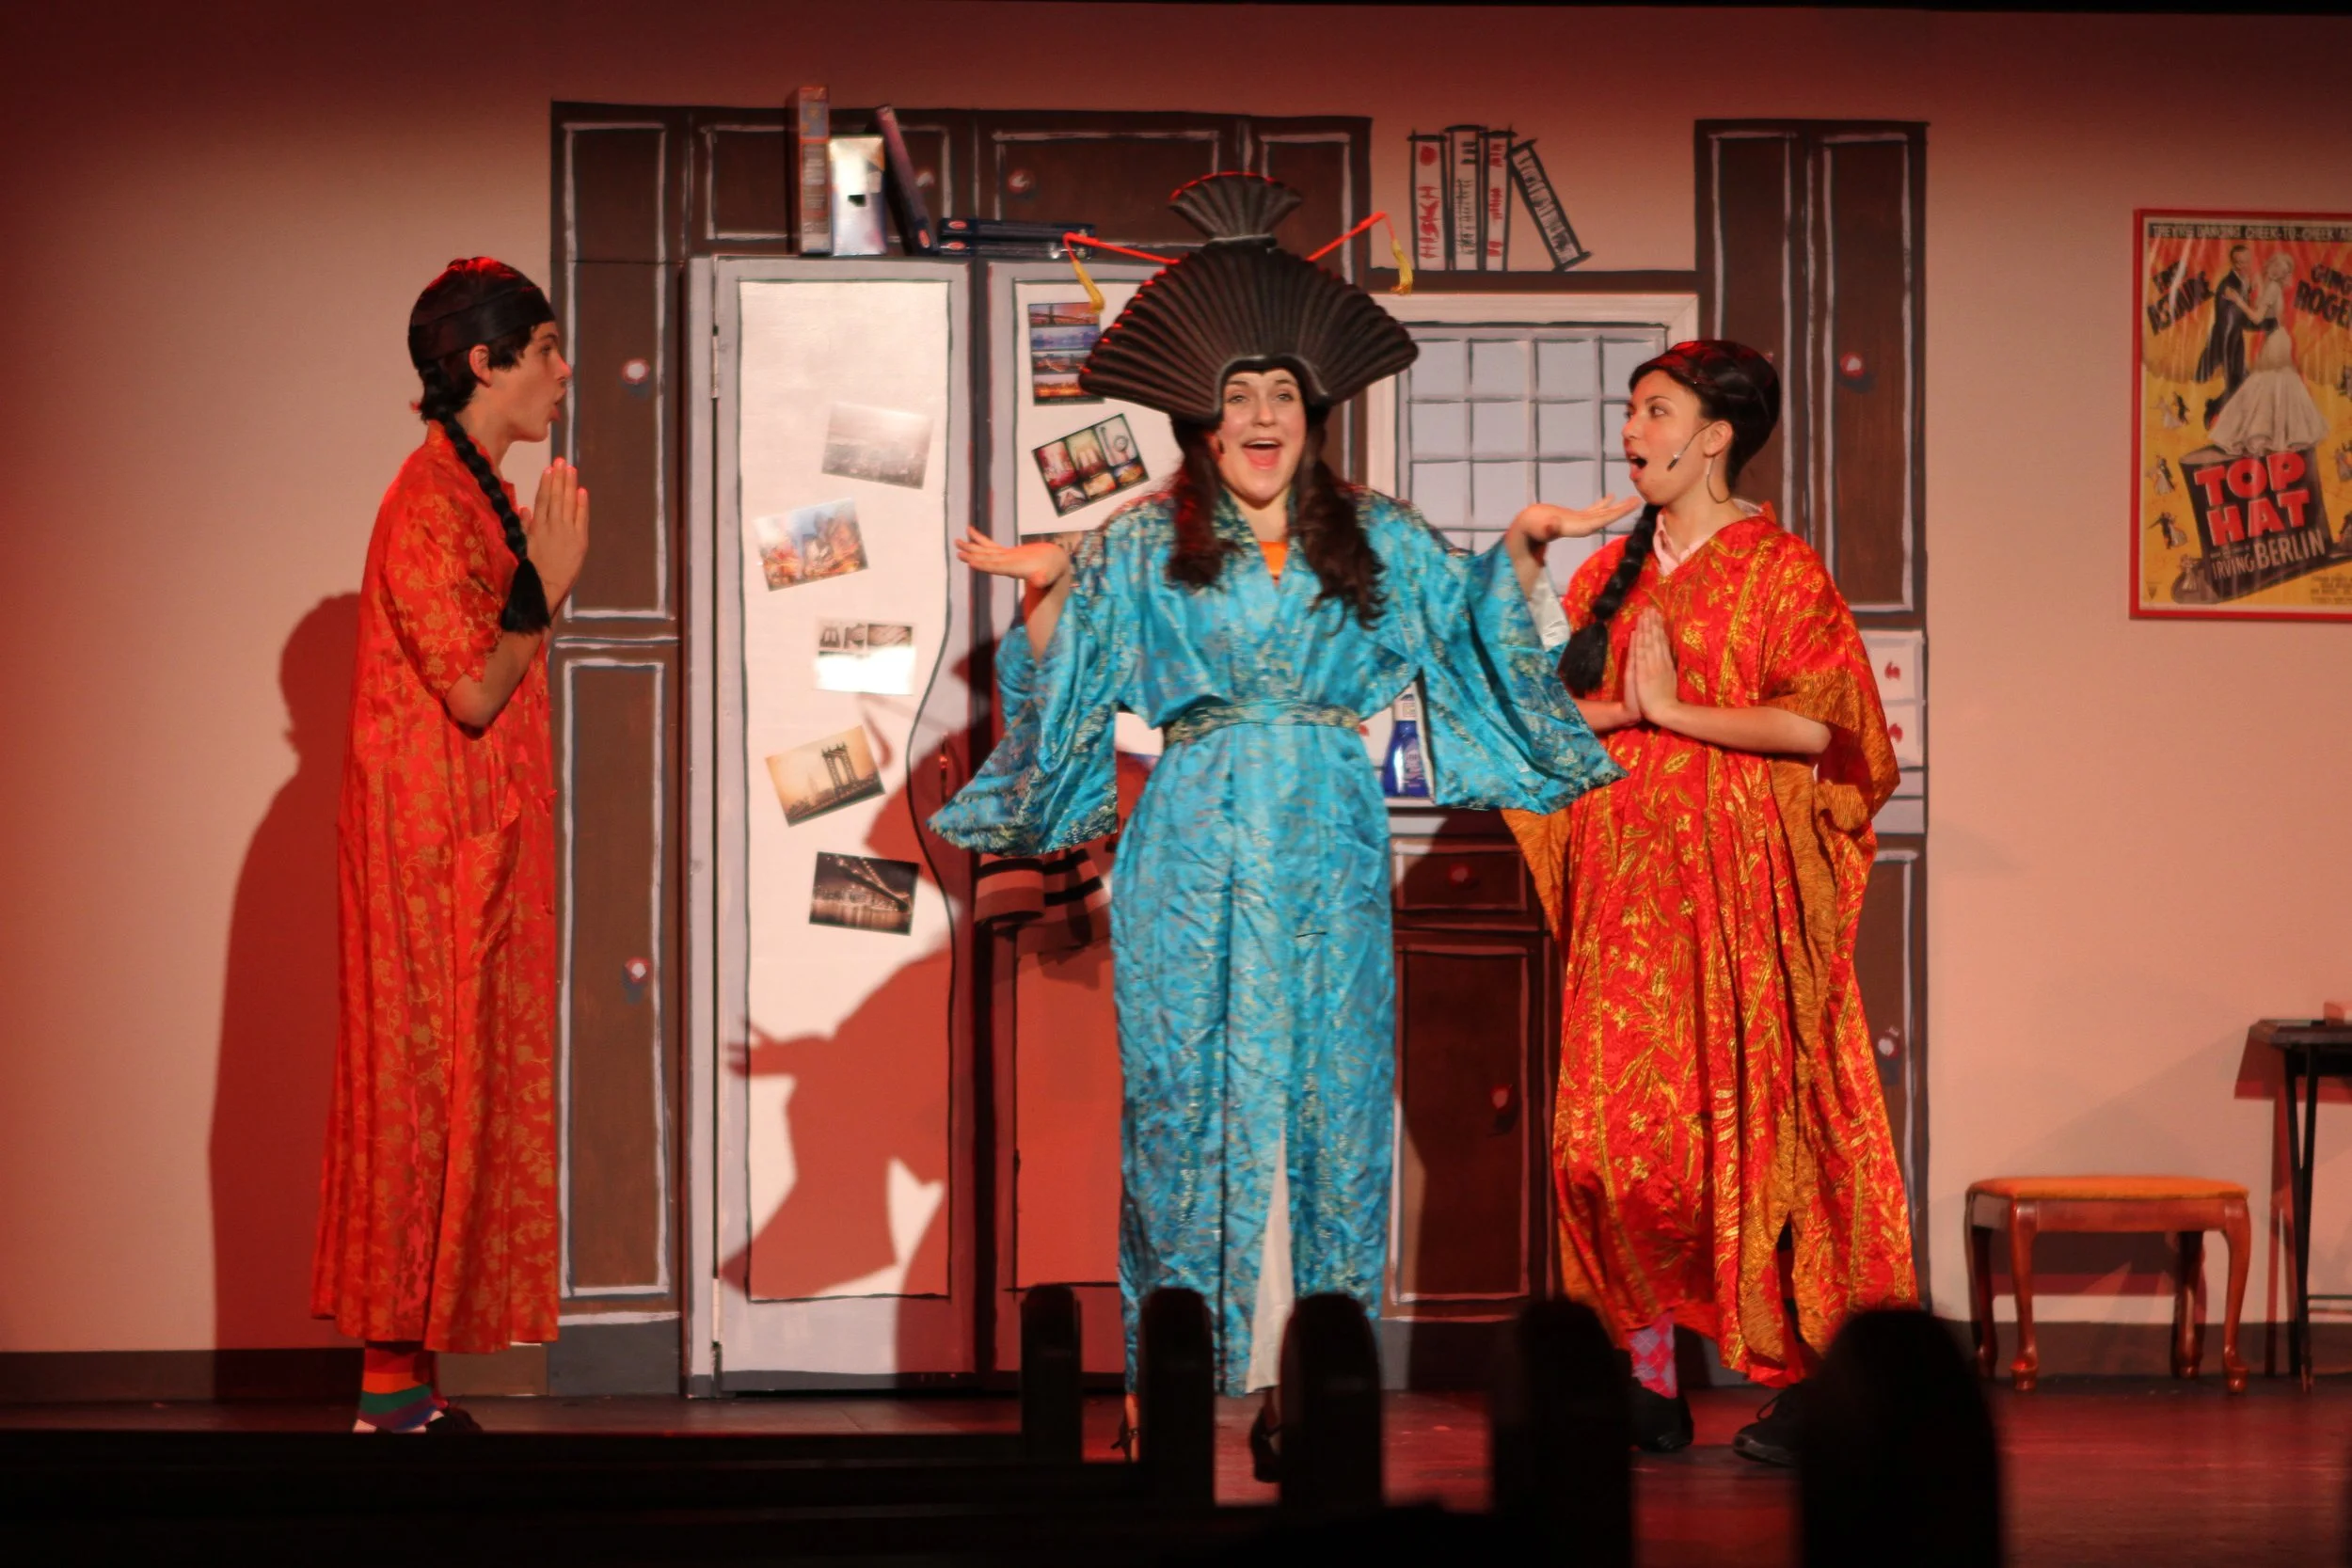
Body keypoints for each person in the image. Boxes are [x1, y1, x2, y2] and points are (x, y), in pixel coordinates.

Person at [929, 173, 1622, 1471]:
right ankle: (1163, 1388)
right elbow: (1073, 679)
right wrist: (1041, 599)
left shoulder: (1380, 539)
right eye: (1238, 398)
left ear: (1316, 415)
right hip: (1189, 840)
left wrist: (1521, 553)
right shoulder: (1139, 545)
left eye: (1284, 398)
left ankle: (1327, 1390)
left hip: (1328, 831)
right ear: (1201, 417)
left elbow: (1472, 628)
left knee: (1342, 1110)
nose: (1261, 418)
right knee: (1179, 1113)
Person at [1503, 341, 1915, 1465]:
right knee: (1613, 1142)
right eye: (1630, 412)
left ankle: (1807, 1383)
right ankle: (1642, 1375)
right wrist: (1530, 562)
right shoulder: (1607, 579)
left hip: (1743, 896)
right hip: (1626, 901)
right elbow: (1537, 721)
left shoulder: (1781, 568)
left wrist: (1674, 712)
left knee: (1762, 1128)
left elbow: (1825, 729)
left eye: (1653, 410)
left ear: (1715, 434)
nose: (1630, 432)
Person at [311, 258, 590, 1433]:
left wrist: (534, 572)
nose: (563, 371)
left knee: (463, 1094)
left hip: (473, 843)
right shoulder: (428, 500)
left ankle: (410, 1388)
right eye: (545, 349)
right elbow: (473, 690)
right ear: (485, 363)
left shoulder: (477, 491)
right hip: (429, 854)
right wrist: (547, 583)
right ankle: (387, 1393)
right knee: (422, 1095)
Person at [2205, 252, 2330, 458]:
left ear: (2282, 274)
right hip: (2277, 338)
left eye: (2280, 270)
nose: (2275, 270)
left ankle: (2264, 436)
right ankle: (2275, 435)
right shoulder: (2272, 287)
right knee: (2274, 386)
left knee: (2264, 385)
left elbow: (2256, 318)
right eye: (2275, 266)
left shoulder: (2272, 288)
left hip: (2275, 340)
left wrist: (2237, 299)